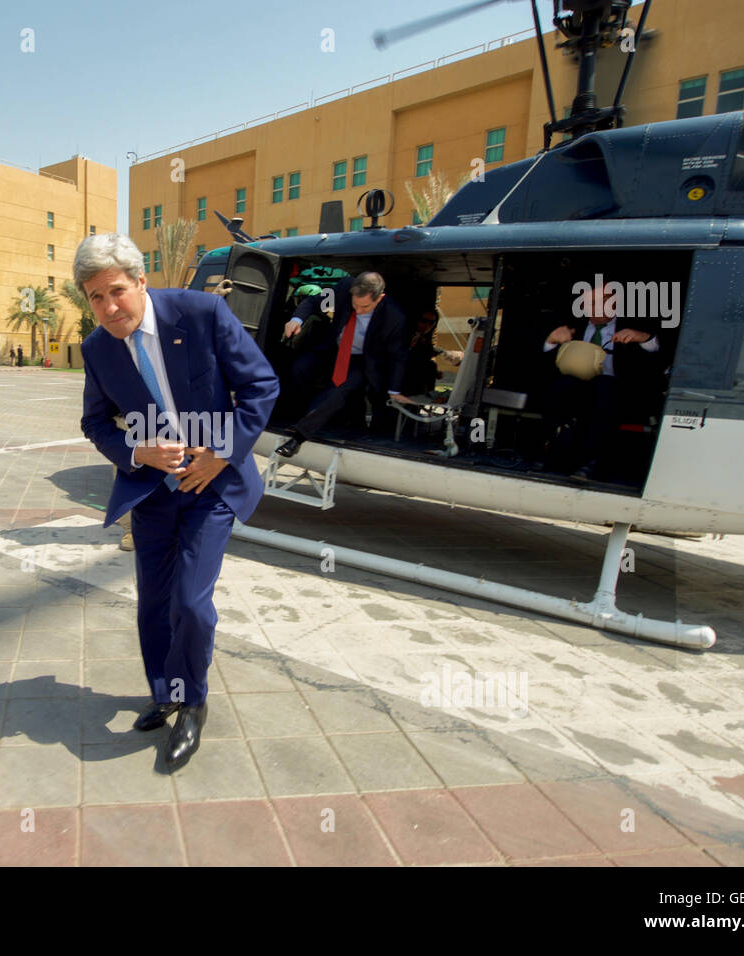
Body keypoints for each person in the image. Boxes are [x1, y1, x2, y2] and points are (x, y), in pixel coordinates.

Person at [78, 233, 278, 769]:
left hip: (210, 488)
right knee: (154, 605)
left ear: (141, 281)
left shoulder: (203, 312)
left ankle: (193, 701)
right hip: (153, 493)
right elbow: (95, 423)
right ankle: (165, 690)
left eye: (116, 291)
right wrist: (136, 452)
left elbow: (261, 386)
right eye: (94, 298)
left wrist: (222, 452)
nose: (108, 307)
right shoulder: (97, 348)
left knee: (191, 602)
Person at [274, 272, 413, 458]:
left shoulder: (394, 316)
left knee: (337, 390)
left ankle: (298, 438)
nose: (358, 310)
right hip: (333, 349)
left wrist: (394, 390)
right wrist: (296, 320)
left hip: (362, 360)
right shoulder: (342, 289)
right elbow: (312, 303)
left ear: (380, 298)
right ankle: (291, 414)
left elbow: (398, 356)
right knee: (301, 367)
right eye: (355, 304)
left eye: (365, 307)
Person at [539, 283, 662, 480]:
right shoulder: (572, 327)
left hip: (617, 392)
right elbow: (541, 365)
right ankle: (549, 451)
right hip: (577, 389)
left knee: (605, 388)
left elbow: (659, 358)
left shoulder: (634, 325)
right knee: (559, 388)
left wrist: (643, 338)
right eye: (590, 302)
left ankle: (591, 461)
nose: (595, 307)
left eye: (603, 301)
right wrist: (550, 341)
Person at [402, 311, 463, 399]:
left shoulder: (423, 338)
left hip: (415, 387)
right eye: (424, 321)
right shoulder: (403, 334)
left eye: (431, 323)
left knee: (431, 366)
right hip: (398, 383)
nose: (427, 326)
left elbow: (423, 356)